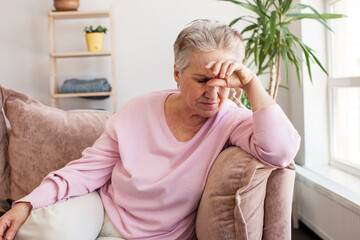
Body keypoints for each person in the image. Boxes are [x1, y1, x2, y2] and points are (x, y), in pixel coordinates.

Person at [0, 19, 300, 240]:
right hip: (102, 209)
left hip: (160, 234)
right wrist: (27, 203)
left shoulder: (232, 119)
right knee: (45, 231)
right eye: (201, 80)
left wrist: (251, 83)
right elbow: (87, 169)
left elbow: (281, 152)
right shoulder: (139, 108)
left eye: (225, 81)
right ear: (177, 75)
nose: (213, 93)